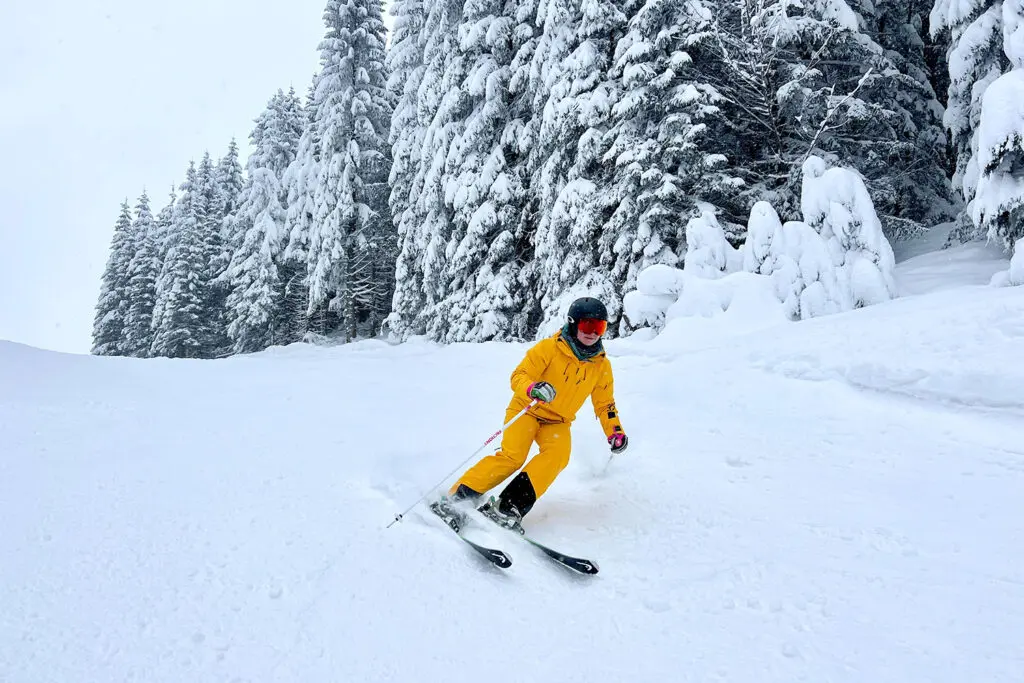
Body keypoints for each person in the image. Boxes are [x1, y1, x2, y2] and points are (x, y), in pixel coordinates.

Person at [435, 296, 628, 532]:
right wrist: (532, 388)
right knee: (513, 457)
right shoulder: (549, 348)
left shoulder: (601, 365)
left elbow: (605, 404)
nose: (593, 333)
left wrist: (615, 432)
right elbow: (519, 376)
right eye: (588, 325)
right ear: (573, 323)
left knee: (557, 457)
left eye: (599, 327)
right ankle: (458, 497)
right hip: (527, 409)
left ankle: (508, 506)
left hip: (557, 422)